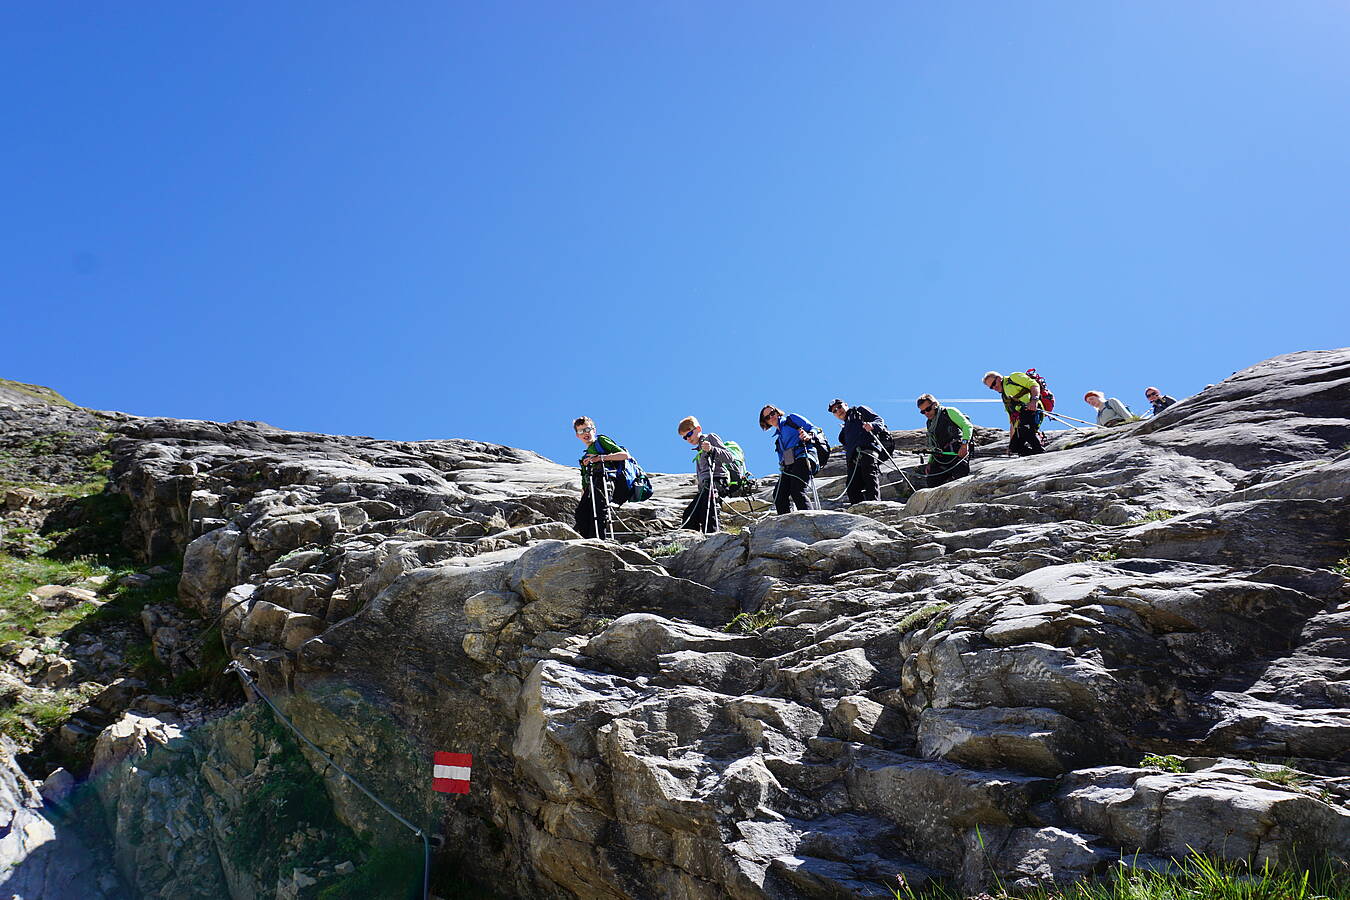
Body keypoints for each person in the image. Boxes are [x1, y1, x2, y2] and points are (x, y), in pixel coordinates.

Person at [572, 416, 631, 540]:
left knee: (599, 509)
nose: (585, 433)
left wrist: (600, 458)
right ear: (577, 435)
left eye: (587, 429)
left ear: (594, 429)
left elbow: (625, 455)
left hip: (606, 478)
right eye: (581, 431)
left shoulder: (601, 441)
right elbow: (585, 481)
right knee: (581, 514)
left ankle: (598, 540)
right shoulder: (584, 458)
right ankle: (589, 540)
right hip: (591, 485)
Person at [676, 415, 732, 533]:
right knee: (689, 513)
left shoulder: (710, 438)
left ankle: (713, 536)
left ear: (698, 429)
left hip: (717, 480)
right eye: (684, 438)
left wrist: (712, 449)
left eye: (689, 434)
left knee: (708, 508)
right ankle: (692, 540)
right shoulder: (698, 451)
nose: (688, 439)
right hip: (705, 487)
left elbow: (729, 457)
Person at [759, 404, 817, 513]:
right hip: (789, 467)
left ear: (777, 412)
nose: (771, 417)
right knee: (778, 495)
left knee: (797, 490)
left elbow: (814, 428)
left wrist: (809, 435)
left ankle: (810, 520)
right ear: (766, 422)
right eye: (767, 417)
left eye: (772, 413)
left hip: (804, 457)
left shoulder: (792, 419)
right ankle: (786, 523)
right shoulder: (778, 440)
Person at [828, 398, 885, 503]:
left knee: (869, 476)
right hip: (854, 459)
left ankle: (875, 504)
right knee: (852, 487)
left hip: (868, 449)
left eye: (839, 407)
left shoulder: (860, 411)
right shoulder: (844, 430)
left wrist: (872, 425)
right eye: (834, 411)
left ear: (846, 405)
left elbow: (879, 420)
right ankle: (859, 509)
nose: (838, 411)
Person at [982, 371, 1045, 457]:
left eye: (994, 383)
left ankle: (1039, 451)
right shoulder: (1005, 398)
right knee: (1014, 447)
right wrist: (1011, 443)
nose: (994, 387)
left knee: (1025, 430)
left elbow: (1034, 384)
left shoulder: (1013, 378)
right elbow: (1012, 421)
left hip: (1033, 410)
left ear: (999, 378)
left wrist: (1034, 401)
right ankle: (1033, 455)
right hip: (1022, 418)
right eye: (991, 387)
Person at [917, 394, 972, 487]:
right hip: (940, 457)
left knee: (961, 477)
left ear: (935, 404)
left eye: (928, 409)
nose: (926, 413)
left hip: (956, 452)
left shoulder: (949, 412)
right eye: (923, 412)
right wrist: (930, 462)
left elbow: (967, 426)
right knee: (932, 481)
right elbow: (933, 443)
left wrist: (964, 445)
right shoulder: (930, 423)